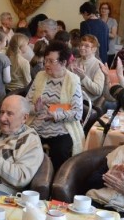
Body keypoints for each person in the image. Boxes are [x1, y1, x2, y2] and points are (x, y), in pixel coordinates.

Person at [26, 41, 84, 171]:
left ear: (63, 63)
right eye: (46, 60)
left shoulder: (72, 80)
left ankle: (56, 183)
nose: (46, 64)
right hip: (37, 125)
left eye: (51, 61)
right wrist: (35, 109)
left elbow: (78, 112)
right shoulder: (40, 76)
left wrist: (55, 116)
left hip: (62, 128)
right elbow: (26, 103)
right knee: (25, 147)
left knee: (60, 151)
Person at [70, 34, 107, 104]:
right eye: (81, 45)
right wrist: (69, 73)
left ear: (94, 49)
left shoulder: (99, 66)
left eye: (86, 46)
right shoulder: (75, 62)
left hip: (86, 102)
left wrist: (83, 77)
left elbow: (98, 91)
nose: (82, 48)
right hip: (71, 98)